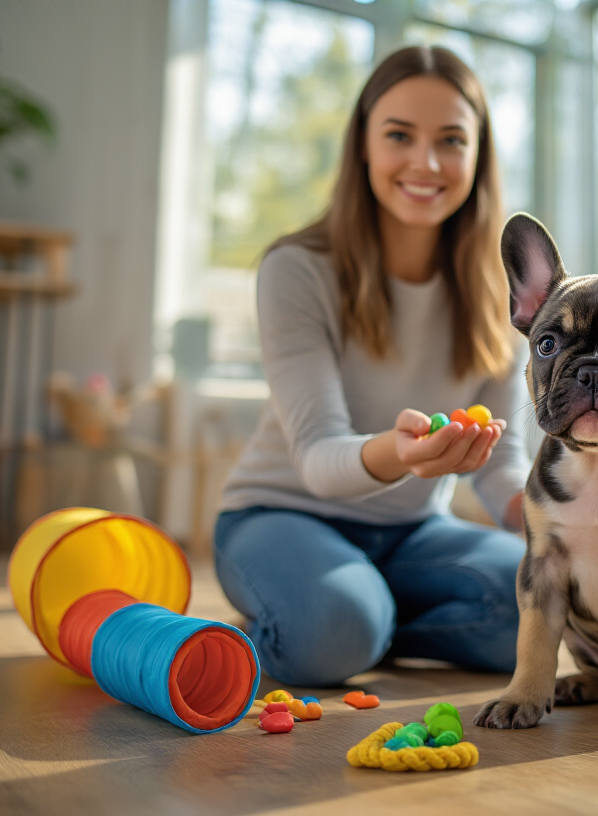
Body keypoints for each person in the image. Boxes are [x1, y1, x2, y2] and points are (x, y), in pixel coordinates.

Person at [213, 45, 532, 688]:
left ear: (478, 156)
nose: (427, 163)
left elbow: (500, 461)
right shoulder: (297, 269)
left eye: (451, 140)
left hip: (413, 534)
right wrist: (402, 454)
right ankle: (334, 623)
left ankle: (354, 621)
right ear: (362, 145)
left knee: (541, 603)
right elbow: (318, 458)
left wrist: (568, 524)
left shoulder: (505, 294)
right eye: (399, 136)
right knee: (338, 627)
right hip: (281, 514)